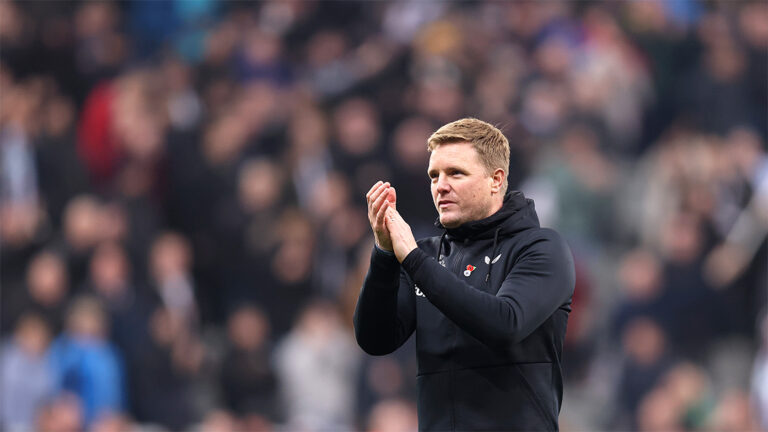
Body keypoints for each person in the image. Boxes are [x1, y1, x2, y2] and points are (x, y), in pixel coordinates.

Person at [354, 118, 575, 431]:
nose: (440, 185)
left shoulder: (541, 248)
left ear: (496, 180)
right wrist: (385, 255)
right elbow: (375, 340)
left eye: (456, 173)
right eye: (434, 175)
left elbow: (505, 323)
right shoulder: (429, 255)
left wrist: (414, 261)